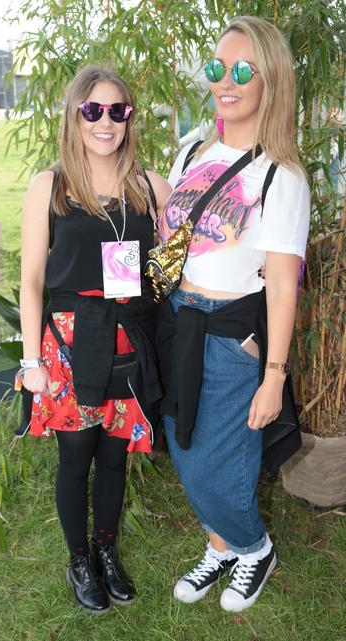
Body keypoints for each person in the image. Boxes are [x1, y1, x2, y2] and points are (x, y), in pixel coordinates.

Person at [157, 16, 310, 612]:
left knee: (217, 459)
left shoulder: (282, 175)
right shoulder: (194, 148)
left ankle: (253, 547)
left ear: (270, 80)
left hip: (229, 335)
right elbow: (174, 230)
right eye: (218, 67)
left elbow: (281, 286)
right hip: (177, 319)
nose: (226, 80)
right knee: (181, 440)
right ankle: (220, 545)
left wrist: (273, 374)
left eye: (243, 70)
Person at [19, 64, 171, 614]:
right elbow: (32, 278)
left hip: (129, 336)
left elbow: (171, 269)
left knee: (114, 455)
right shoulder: (50, 185)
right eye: (92, 110)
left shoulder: (151, 187)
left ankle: (107, 550)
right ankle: (79, 556)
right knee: (76, 455)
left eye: (117, 110)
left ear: (129, 117)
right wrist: (30, 359)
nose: (105, 122)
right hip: (68, 342)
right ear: (74, 115)